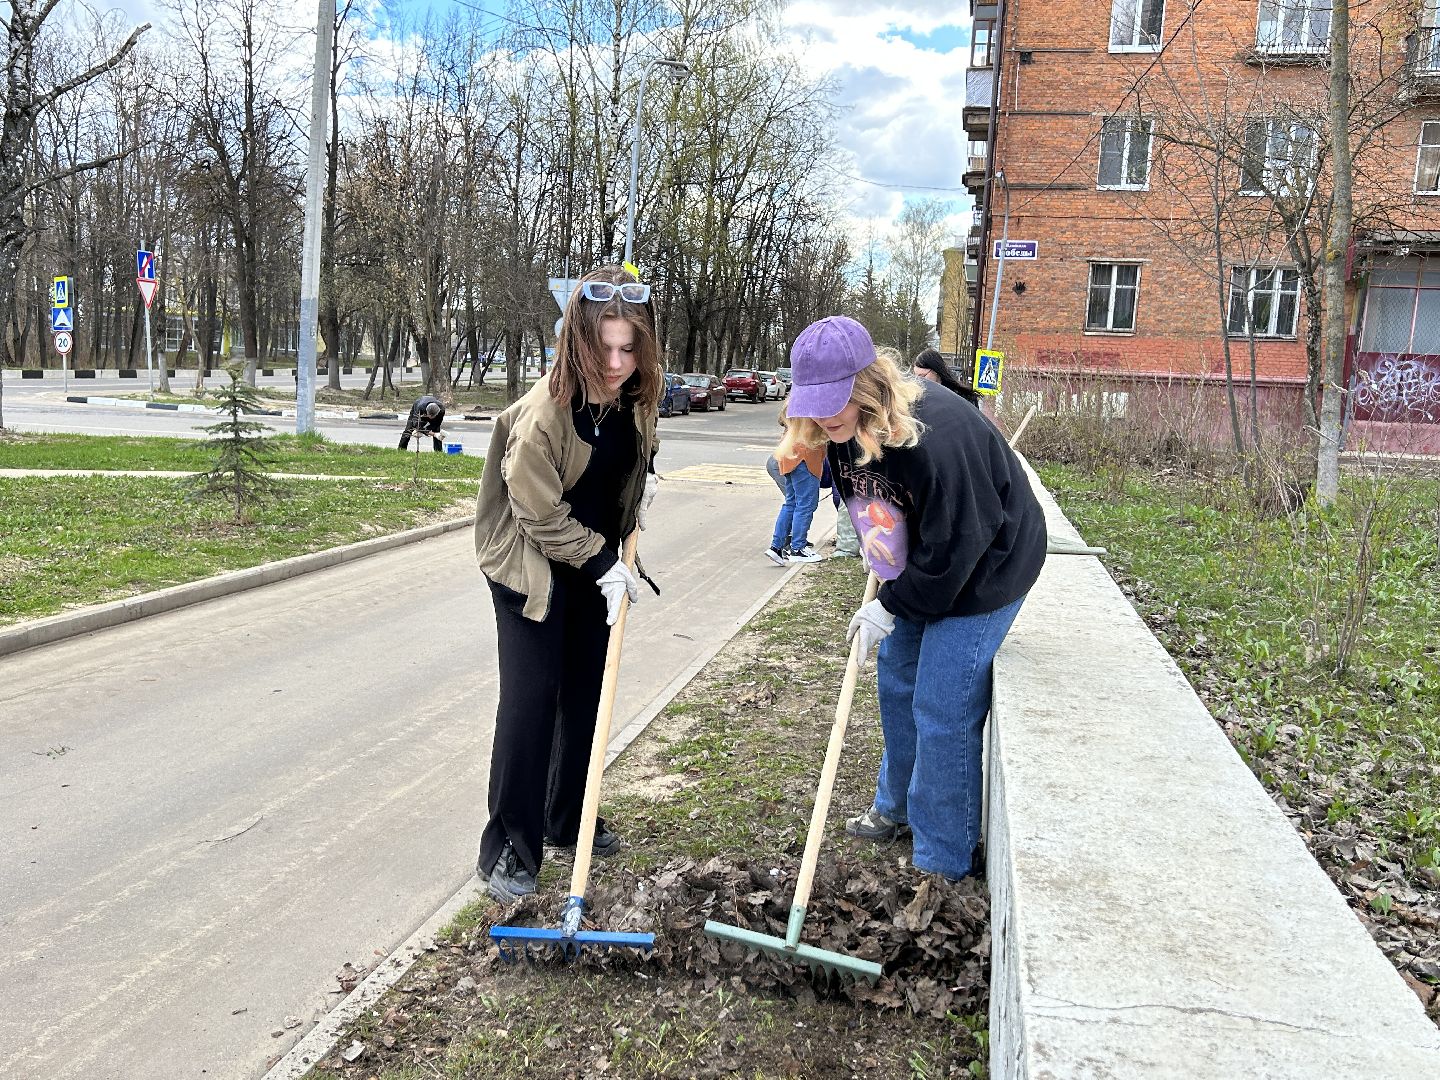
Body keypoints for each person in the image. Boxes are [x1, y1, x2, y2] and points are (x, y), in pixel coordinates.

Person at [779, 315, 1046, 882]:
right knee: (897, 677)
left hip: (988, 565)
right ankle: (895, 805)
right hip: (927, 557)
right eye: (814, 406)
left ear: (867, 384)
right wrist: (880, 563)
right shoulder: (840, 435)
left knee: (942, 703)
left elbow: (958, 548)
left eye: (834, 402)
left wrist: (892, 605)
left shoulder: (937, 437)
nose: (824, 418)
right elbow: (870, 506)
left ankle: (941, 857)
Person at [471, 265, 662, 903]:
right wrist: (602, 563)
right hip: (531, 571)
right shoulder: (542, 415)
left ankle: (567, 817)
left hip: (594, 569)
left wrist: (638, 496)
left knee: (585, 699)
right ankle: (508, 845)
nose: (616, 363)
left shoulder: (634, 400)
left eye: (628, 349)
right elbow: (536, 511)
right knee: (530, 704)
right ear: (576, 341)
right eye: (603, 348)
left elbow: (624, 465)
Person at [765, 426, 825, 565]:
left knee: (791, 503)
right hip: (806, 457)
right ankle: (798, 549)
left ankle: (776, 547)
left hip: (789, 454)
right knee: (805, 505)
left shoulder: (793, 412)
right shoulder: (812, 413)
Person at [912, 348, 981, 406]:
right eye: (917, 377)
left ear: (935, 371)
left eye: (923, 376)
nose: (920, 381)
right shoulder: (918, 399)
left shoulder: (961, 397)